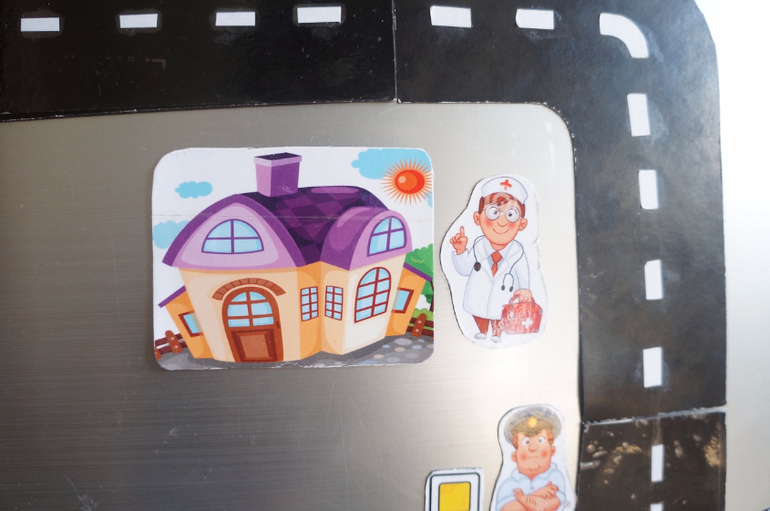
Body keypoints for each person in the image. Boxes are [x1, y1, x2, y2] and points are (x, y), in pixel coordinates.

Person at [449, 177, 533, 342]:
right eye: (493, 213)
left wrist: (524, 289)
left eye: (511, 215)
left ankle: (496, 334)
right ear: (477, 218)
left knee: (500, 314)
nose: (501, 222)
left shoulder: (517, 253)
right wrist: (460, 251)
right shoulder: (478, 246)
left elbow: (523, 272)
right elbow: (464, 269)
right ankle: (481, 330)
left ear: (522, 224)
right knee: (478, 311)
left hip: (505, 295)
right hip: (479, 293)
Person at [496, 415, 566, 511]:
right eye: (526, 442)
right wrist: (537, 494)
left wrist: (521, 498)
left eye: (540, 441)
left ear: (552, 450)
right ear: (514, 456)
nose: (533, 448)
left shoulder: (555, 477)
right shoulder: (508, 484)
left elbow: (547, 506)